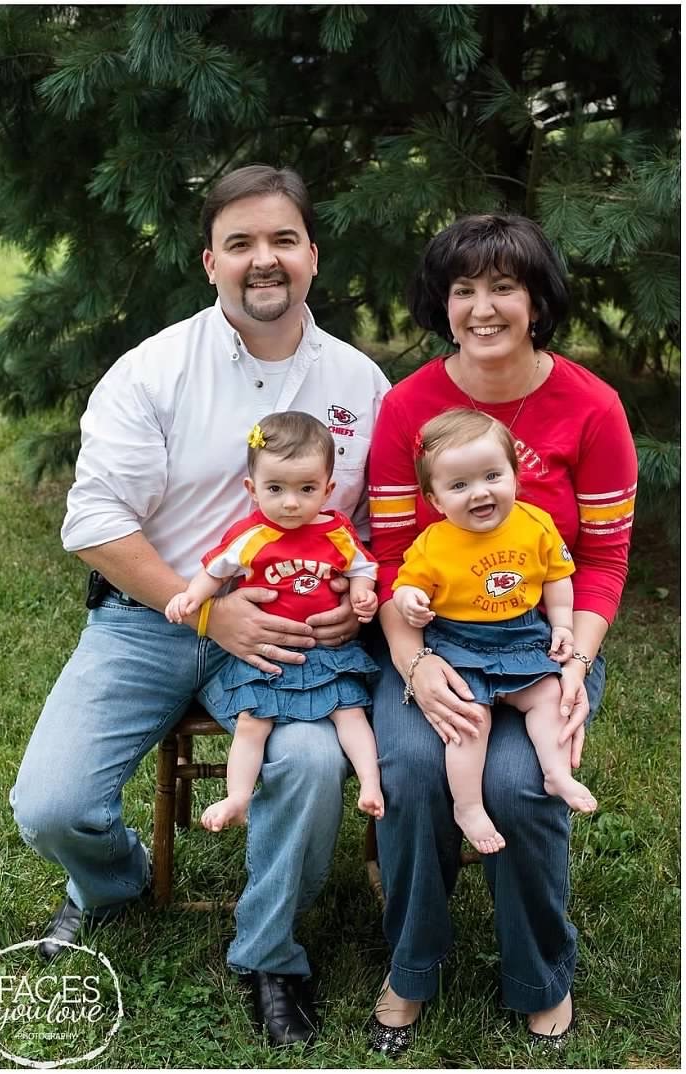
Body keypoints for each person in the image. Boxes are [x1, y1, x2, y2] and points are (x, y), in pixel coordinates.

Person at [10, 164, 390, 1047]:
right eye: (242, 243)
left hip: (296, 636)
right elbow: (95, 522)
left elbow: (377, 525)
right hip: (152, 617)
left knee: (306, 760)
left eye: (283, 240)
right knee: (52, 805)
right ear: (209, 261)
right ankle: (111, 882)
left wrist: (358, 609)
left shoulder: (359, 384)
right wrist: (212, 613)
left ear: (312, 256)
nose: (265, 260)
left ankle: (268, 956)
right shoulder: (153, 370)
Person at [366, 213, 637, 1054]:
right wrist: (412, 665)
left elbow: (602, 559)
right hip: (434, 639)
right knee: (412, 764)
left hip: (541, 642)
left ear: (536, 298)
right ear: (442, 304)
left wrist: (575, 664)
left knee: (525, 783)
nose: (483, 308)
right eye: (463, 289)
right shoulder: (408, 406)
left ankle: (538, 971)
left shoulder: (591, 407)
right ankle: (411, 964)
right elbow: (386, 558)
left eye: (503, 287)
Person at [164, 410, 384, 829]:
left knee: (350, 713)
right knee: (252, 723)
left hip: (326, 653)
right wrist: (189, 599)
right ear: (252, 488)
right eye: (275, 488)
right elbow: (215, 571)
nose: (290, 501)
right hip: (268, 653)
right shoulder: (252, 535)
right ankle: (237, 798)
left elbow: (362, 569)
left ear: (328, 488)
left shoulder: (337, 531)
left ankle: (370, 785)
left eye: (306, 489)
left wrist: (361, 597)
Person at [393, 408, 596, 857]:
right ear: (435, 499)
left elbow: (557, 576)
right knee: (470, 720)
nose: (480, 493)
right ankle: (468, 806)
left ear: (515, 475)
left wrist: (562, 623)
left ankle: (554, 771)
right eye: (459, 485)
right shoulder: (434, 543)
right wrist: (410, 600)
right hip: (460, 643)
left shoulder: (535, 523)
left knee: (548, 698)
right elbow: (407, 582)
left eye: (491, 475)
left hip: (522, 636)